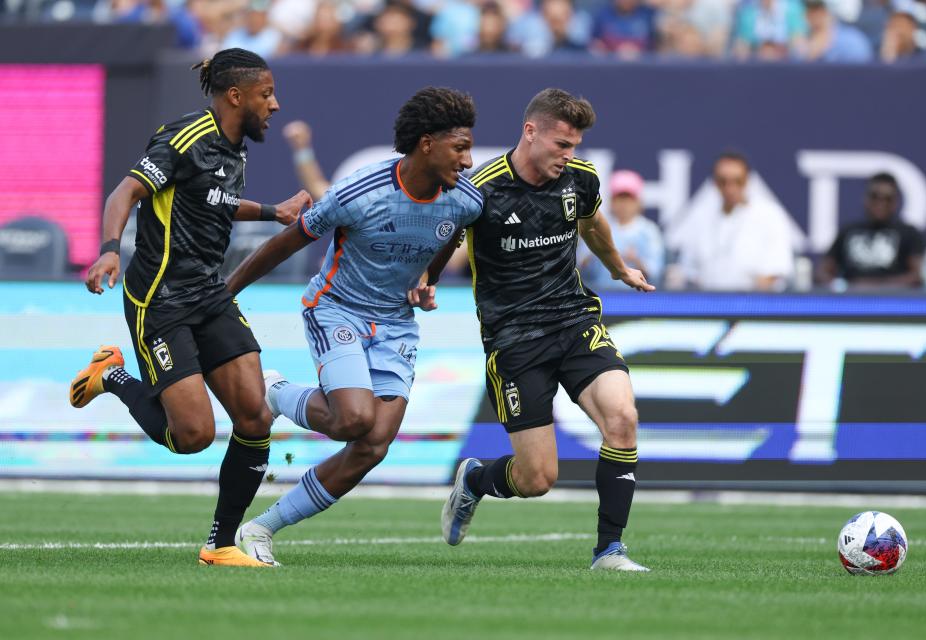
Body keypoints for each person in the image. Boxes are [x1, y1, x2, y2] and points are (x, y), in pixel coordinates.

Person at [68, 48, 312, 567]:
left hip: (210, 293)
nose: (275, 104)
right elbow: (124, 193)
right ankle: (111, 376)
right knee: (193, 436)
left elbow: (214, 201)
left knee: (254, 416)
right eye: (266, 94)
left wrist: (273, 212)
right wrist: (109, 250)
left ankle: (220, 545)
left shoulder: (235, 147)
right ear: (235, 96)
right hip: (159, 300)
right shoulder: (184, 139)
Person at [226, 87, 483, 566]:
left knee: (373, 444)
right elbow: (289, 241)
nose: (468, 160)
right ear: (426, 144)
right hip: (337, 308)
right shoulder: (359, 193)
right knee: (353, 420)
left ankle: (261, 528)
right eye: (460, 147)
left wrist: (427, 278)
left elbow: (449, 237)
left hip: (396, 325)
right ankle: (276, 392)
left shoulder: (465, 202)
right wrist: (229, 290)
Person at [435, 88, 656, 572]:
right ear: (530, 132)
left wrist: (618, 269)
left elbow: (593, 223)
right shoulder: (481, 189)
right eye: (562, 144)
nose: (569, 155)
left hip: (574, 320)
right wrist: (425, 283)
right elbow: (443, 240)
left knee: (622, 418)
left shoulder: (580, 179)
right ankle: (475, 481)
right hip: (514, 339)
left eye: (575, 145)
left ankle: (609, 551)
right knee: (537, 478)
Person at [675, 152, 794, 291]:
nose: (730, 188)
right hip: (708, 305)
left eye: (738, 181)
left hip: (755, 306)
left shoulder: (770, 215)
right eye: (723, 181)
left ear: (747, 180)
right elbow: (689, 270)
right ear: (715, 182)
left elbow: (776, 272)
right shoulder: (700, 217)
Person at [816, 172, 926, 289]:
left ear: (895, 202)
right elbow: (822, 272)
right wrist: (841, 286)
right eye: (875, 196)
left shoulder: (909, 233)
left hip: (892, 300)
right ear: (865, 199)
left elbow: (918, 275)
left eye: (887, 199)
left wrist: (877, 287)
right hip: (852, 300)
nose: (880, 203)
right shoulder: (848, 231)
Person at [579, 169, 665, 290]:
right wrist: (594, 254)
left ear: (639, 202)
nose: (624, 204)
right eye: (619, 198)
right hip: (602, 295)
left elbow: (656, 272)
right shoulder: (597, 226)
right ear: (611, 202)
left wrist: (636, 260)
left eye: (629, 198)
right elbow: (580, 268)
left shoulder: (649, 231)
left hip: (638, 298)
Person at [802, 0, 872, 63]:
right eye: (809, 9)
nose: (813, 15)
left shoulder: (853, 42)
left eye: (818, 9)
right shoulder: (801, 42)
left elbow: (861, 73)